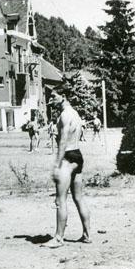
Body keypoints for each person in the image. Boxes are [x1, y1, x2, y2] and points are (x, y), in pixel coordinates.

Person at [42, 89, 91, 248]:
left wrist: (57, 164)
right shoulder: (75, 114)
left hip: (68, 156)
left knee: (60, 200)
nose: (51, 99)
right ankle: (87, 234)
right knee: (78, 198)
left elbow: (63, 141)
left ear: (64, 97)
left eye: (54, 96)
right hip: (77, 155)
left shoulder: (64, 115)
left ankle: (58, 238)